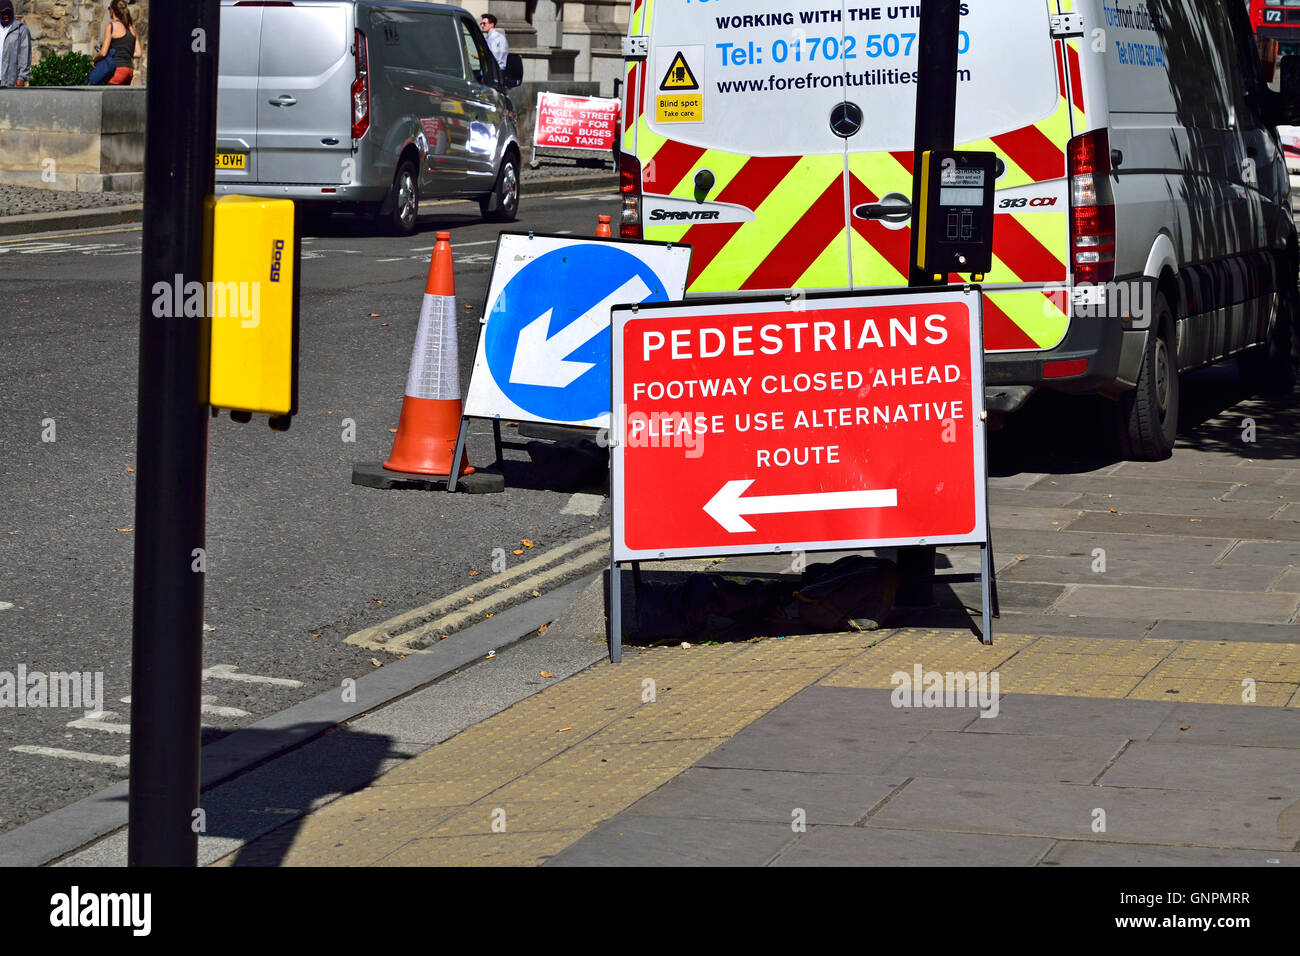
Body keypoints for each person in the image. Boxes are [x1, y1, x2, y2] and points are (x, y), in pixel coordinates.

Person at [89, 1, 141, 86]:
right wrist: (124, 52)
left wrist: (94, 59)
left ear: (112, 10)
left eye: (109, 8)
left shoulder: (111, 26)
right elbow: (138, 53)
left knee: (105, 95)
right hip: (129, 71)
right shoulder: (131, 29)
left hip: (117, 70)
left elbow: (103, 53)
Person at [0, 0, 31, 89]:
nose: (5, 15)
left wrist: (22, 77)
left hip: (10, 81)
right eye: (2, 12)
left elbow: (25, 55)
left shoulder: (21, 30)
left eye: (8, 12)